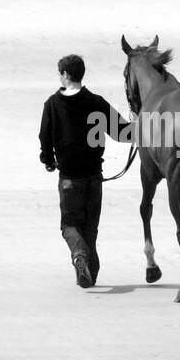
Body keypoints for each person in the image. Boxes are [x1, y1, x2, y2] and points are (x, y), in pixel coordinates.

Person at [39, 54, 132, 288]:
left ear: (66, 75)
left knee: (69, 225)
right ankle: (89, 270)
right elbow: (123, 133)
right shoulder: (96, 102)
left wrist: (48, 160)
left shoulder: (52, 104)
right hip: (93, 177)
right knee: (90, 227)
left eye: (60, 73)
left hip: (69, 177)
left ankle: (79, 255)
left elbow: (45, 137)